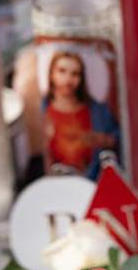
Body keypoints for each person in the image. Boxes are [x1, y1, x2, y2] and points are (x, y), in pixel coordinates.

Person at [42, 49, 120, 178]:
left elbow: (121, 139)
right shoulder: (43, 109)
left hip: (91, 182)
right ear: (51, 74)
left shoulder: (97, 110)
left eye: (75, 74)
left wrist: (105, 140)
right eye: (62, 71)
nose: (68, 79)